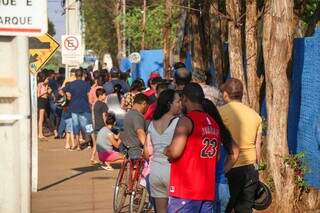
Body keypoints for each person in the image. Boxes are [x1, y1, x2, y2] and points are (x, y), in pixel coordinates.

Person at [164, 83, 221, 212]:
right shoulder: (213, 123)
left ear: (185, 99)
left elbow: (174, 152)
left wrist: (166, 150)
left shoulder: (186, 121)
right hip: (206, 191)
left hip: (186, 190)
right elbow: (216, 158)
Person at [218, 78, 262, 213]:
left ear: (225, 94)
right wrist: (256, 169)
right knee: (245, 209)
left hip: (228, 167)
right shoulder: (255, 116)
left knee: (224, 208)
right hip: (250, 168)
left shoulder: (220, 113)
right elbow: (258, 147)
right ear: (242, 94)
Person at [144, 89, 182, 213]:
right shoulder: (179, 122)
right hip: (172, 170)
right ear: (169, 104)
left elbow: (146, 150)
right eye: (178, 101)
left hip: (155, 171)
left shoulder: (152, 123)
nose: (180, 104)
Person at [201, 98, 239, 213]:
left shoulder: (201, 131)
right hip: (222, 187)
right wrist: (223, 170)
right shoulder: (222, 131)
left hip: (206, 187)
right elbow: (236, 151)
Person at [64, 69, 94, 150]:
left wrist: (68, 97)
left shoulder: (71, 84)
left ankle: (77, 144)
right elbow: (89, 95)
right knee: (88, 125)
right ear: (82, 75)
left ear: (75, 75)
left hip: (73, 107)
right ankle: (92, 142)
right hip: (85, 107)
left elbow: (64, 92)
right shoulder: (87, 84)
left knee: (76, 126)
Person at [122, 93, 149, 159]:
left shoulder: (128, 114)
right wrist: (147, 148)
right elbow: (140, 132)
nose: (147, 110)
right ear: (144, 104)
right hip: (136, 151)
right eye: (147, 107)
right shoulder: (137, 115)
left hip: (129, 150)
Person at [37, 72, 52, 140]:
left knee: (42, 118)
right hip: (41, 101)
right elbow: (38, 95)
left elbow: (47, 93)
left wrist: (48, 91)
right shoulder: (40, 84)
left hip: (45, 100)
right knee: (41, 118)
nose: (48, 80)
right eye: (47, 79)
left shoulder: (46, 85)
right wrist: (45, 91)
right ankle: (40, 134)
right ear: (43, 78)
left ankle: (41, 133)